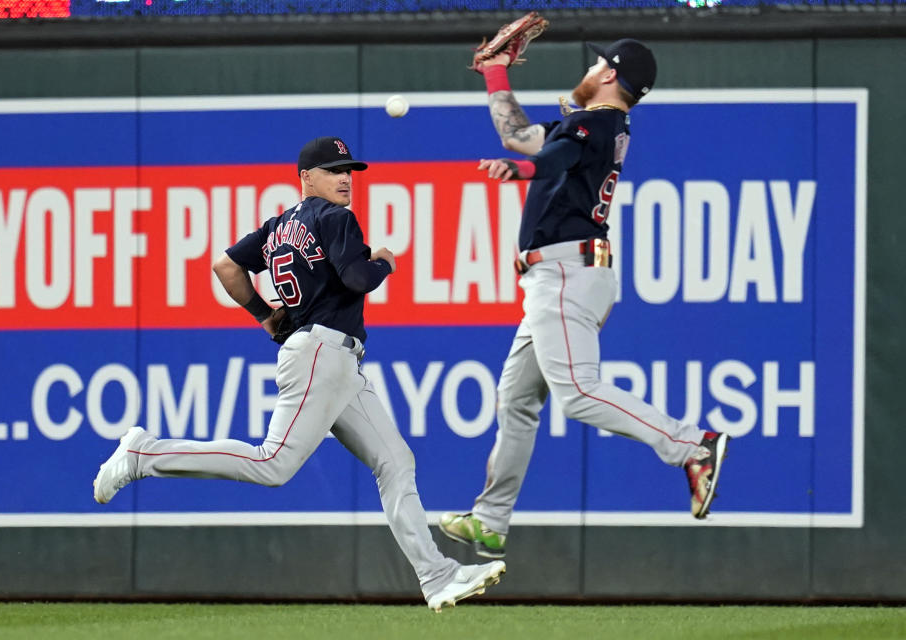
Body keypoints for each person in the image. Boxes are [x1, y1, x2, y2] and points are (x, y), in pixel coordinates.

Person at [92, 136, 505, 611]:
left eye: (348, 169)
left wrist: (264, 315)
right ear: (306, 177)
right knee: (272, 464)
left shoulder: (278, 227)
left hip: (335, 361)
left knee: (395, 461)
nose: (345, 177)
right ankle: (145, 453)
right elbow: (356, 279)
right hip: (321, 354)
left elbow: (225, 265)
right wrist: (384, 262)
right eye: (333, 170)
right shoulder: (335, 217)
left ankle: (437, 576)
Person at [439, 40, 730, 559]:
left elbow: (547, 160)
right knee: (518, 399)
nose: (590, 66)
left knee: (576, 392)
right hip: (558, 277)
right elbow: (517, 134)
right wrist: (495, 73)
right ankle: (490, 520)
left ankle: (693, 445)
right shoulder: (593, 125)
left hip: (566, 274)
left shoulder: (593, 124)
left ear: (612, 75)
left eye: (599, 62)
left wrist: (521, 171)